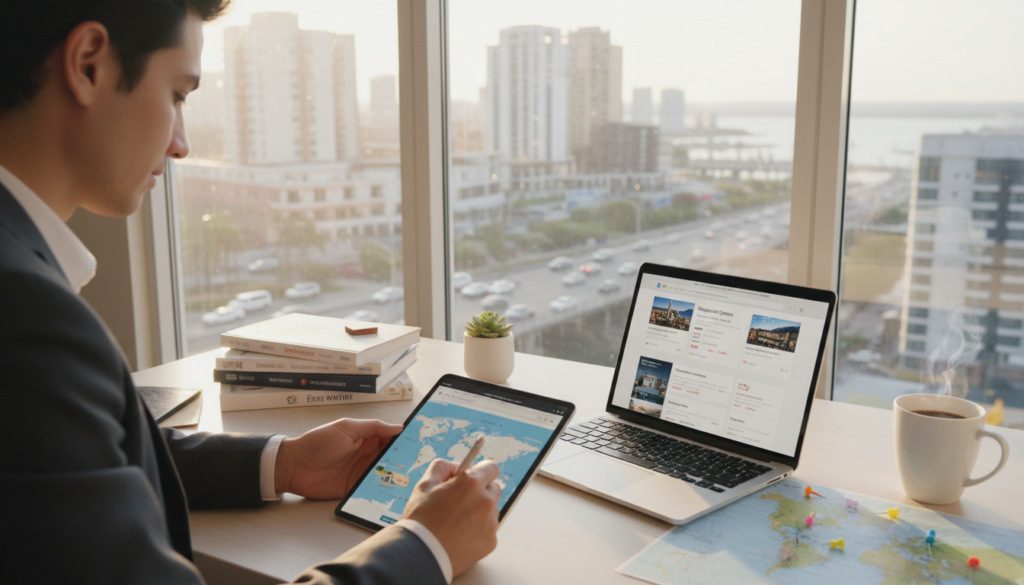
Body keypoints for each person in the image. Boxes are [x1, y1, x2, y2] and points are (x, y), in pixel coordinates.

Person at [0, 1, 501, 583]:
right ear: (88, 64)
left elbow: (75, 458)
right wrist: (426, 545)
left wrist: (283, 464)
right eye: (179, 95)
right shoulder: (28, 317)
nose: (181, 144)